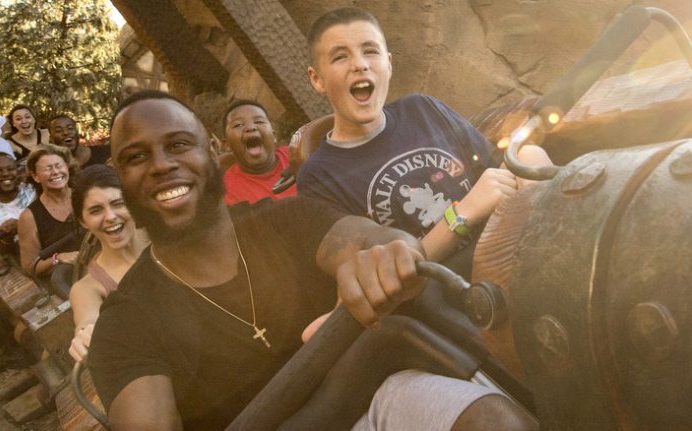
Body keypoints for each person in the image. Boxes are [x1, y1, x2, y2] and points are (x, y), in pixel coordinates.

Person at [87, 91, 534, 431]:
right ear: (121, 178)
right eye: (136, 157)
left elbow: (368, 239)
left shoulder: (287, 220)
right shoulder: (125, 325)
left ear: (211, 151)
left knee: (494, 419)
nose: (161, 165)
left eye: (178, 145)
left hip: (376, 400)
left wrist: (389, 250)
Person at [297, 7, 551, 262]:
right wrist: (461, 215)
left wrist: (529, 161)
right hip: (456, 292)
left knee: (529, 156)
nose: (360, 65)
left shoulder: (422, 108)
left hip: (509, 249)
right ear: (317, 79)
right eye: (340, 57)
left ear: (389, 63)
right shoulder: (318, 178)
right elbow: (383, 282)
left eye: (370, 51)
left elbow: (496, 170)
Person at [67, 164, 148, 362]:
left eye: (118, 203)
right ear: (83, 221)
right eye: (96, 211)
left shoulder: (165, 236)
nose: (110, 217)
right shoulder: (88, 287)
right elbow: (87, 320)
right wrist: (86, 335)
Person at [17, 144, 82, 276]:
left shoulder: (86, 195)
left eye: (59, 166)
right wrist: (57, 258)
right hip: (68, 276)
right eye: (48, 168)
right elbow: (30, 267)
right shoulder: (29, 217)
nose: (56, 172)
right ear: (36, 176)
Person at [222, 99, 297, 205]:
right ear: (227, 145)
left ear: (274, 136)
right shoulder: (227, 191)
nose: (251, 127)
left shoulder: (300, 156)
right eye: (238, 125)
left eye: (259, 122)